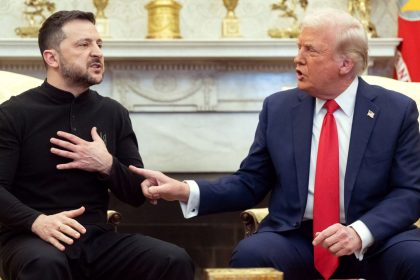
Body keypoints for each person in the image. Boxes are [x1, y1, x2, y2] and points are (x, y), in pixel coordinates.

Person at [129, 8, 420, 280]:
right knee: (252, 254)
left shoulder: (396, 111)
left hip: (375, 238)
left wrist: (360, 232)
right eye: (299, 48)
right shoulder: (279, 108)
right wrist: (184, 190)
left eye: (311, 50)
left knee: (415, 257)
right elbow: (250, 183)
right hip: (299, 237)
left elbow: (410, 191)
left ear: (345, 63)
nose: (298, 58)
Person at [0, 10, 194, 280]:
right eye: (84, 44)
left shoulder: (113, 113)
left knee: (172, 259)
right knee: (45, 264)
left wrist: (107, 165)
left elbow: (136, 194)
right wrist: (37, 222)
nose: (97, 53)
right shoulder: (13, 113)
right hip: (31, 238)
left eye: (99, 44)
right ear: (51, 57)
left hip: (95, 239)